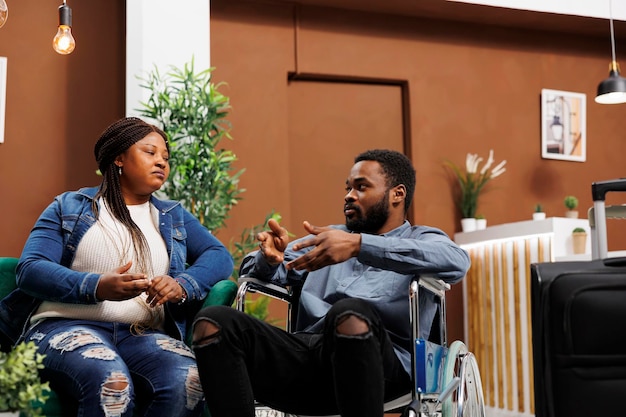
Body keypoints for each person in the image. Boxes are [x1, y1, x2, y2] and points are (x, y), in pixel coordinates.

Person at [191, 149, 470, 417]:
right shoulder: (329, 238)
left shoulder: (421, 239)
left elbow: (457, 261)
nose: (349, 195)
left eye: (361, 187)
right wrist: (271, 260)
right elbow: (254, 268)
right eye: (348, 187)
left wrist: (359, 245)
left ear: (397, 194)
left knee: (349, 313)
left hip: (382, 364)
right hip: (307, 359)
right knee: (213, 322)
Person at [0, 117, 234, 417]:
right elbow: (31, 270)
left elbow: (219, 255)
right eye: (150, 152)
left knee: (188, 380)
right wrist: (97, 287)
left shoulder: (172, 215)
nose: (161, 162)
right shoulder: (68, 206)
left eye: (166, 157)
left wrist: (182, 284)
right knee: (113, 382)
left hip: (142, 334)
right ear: (119, 158)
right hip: (65, 327)